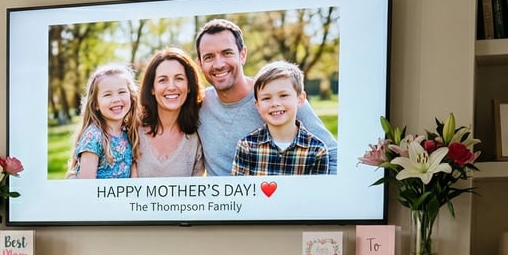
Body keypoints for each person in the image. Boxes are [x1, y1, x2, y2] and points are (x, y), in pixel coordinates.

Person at [195, 19, 338, 176]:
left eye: (227, 53)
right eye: (209, 57)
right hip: (225, 200)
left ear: (242, 55)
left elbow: (333, 155)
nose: (218, 64)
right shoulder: (199, 104)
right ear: (200, 64)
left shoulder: (278, 98)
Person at [230, 61, 329, 177]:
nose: (275, 103)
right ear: (257, 105)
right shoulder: (247, 146)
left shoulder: (317, 150)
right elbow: (240, 192)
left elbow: (319, 193)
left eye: (283, 95)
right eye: (266, 98)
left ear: (300, 99)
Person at [132, 48, 205, 178]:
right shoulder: (133, 132)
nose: (171, 87)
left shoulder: (198, 138)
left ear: (189, 86)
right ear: (152, 89)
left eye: (179, 78)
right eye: (162, 80)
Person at [66, 63, 141, 179]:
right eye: (107, 95)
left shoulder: (129, 132)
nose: (116, 99)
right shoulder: (94, 137)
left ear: (131, 96)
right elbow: (86, 187)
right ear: (96, 104)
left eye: (121, 92)